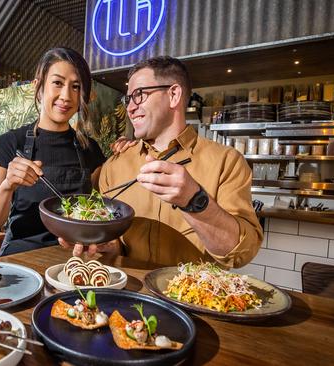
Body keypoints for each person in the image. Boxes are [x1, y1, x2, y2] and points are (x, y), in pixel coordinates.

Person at [61, 56, 263, 269]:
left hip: (190, 299)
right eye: (127, 99)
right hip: (128, 295)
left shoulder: (227, 162)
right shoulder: (115, 165)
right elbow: (117, 245)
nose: (130, 108)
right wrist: (105, 247)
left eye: (139, 95)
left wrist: (194, 200)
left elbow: (240, 254)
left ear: (173, 94)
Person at [0, 47, 107, 256]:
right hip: (19, 263)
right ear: (39, 86)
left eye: (75, 87)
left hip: (72, 263)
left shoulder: (90, 149)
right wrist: (7, 185)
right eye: (57, 83)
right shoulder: (9, 144)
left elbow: (96, 214)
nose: (66, 96)